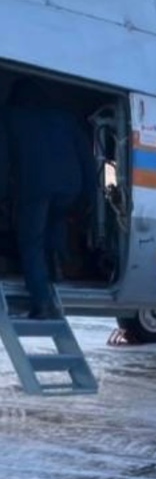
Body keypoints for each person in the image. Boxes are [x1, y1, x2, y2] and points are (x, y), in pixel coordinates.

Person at [3, 77, 98, 319]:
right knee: (55, 225)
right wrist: (91, 192)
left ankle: (42, 302)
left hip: (35, 187)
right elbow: (86, 156)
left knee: (31, 242)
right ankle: (56, 272)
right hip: (70, 187)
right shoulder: (65, 118)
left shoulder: (11, 116)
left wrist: (3, 192)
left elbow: (3, 158)